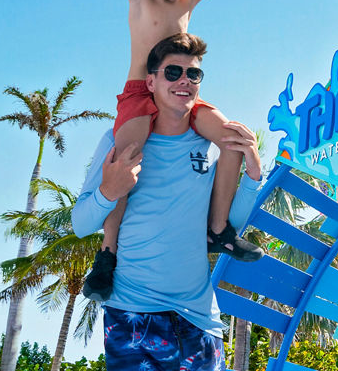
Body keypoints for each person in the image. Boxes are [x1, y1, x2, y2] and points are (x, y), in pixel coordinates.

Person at [83, 0, 262, 303]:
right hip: (141, 93)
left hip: (181, 90)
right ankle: (107, 255)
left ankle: (218, 229)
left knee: (235, 138)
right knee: (125, 157)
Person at [72, 33, 264, 371]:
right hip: (132, 314)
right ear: (151, 81)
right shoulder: (119, 139)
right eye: (173, 73)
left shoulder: (208, 143)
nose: (184, 81)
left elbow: (230, 222)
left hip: (200, 318)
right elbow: (80, 223)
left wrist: (252, 176)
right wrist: (108, 192)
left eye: (193, 74)